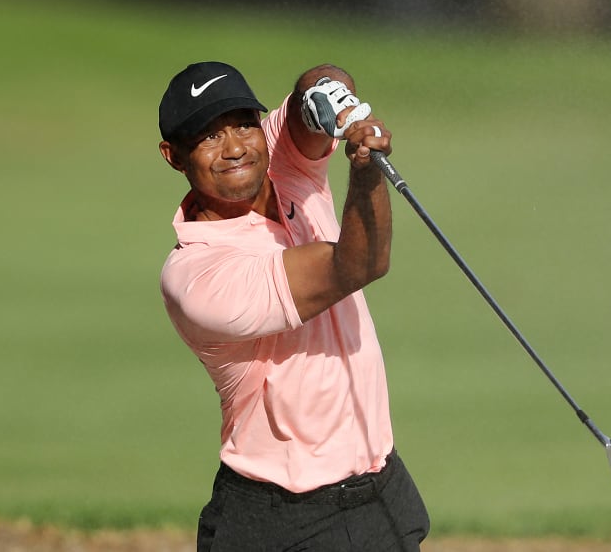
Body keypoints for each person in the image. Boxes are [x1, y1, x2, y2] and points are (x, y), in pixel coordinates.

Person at [156, 61, 430, 551]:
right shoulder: (197, 276)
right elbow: (357, 264)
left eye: (243, 124)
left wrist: (334, 98)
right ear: (173, 155)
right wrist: (365, 169)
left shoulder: (281, 161)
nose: (235, 146)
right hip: (280, 519)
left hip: (379, 490)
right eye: (208, 137)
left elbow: (313, 87)